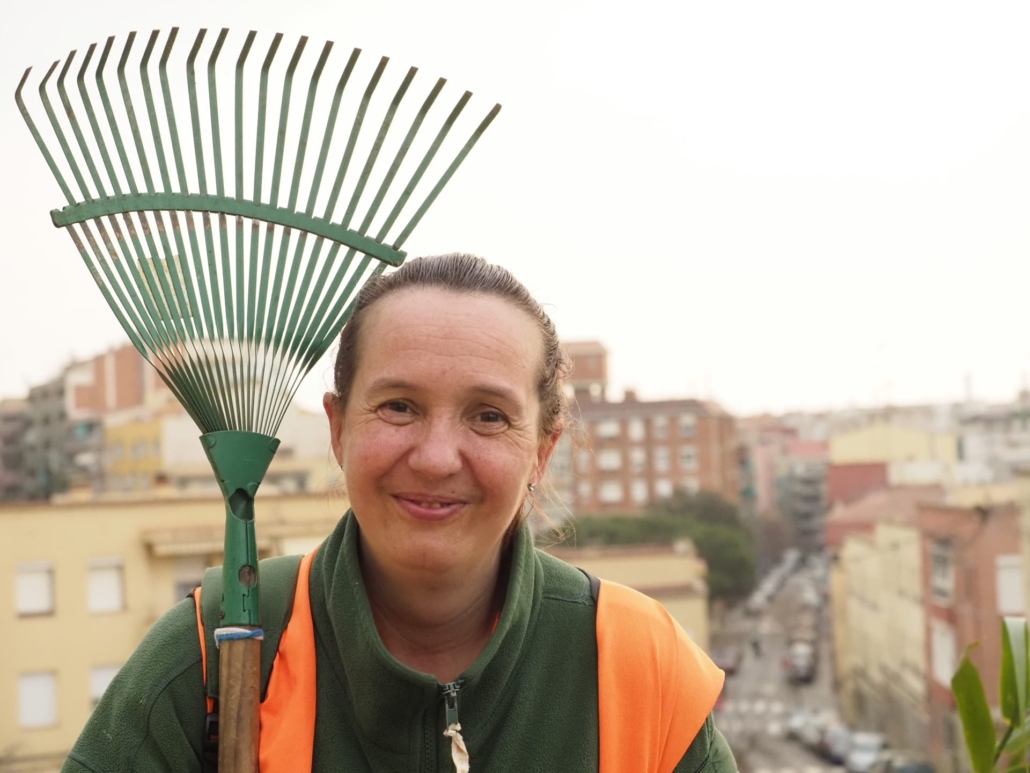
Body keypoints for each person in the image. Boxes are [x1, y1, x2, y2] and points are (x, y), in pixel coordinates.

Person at [63, 253, 736, 772]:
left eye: (489, 415)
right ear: (338, 427)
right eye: (399, 406)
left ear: (542, 448)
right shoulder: (211, 656)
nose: (439, 456)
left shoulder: (641, 667)